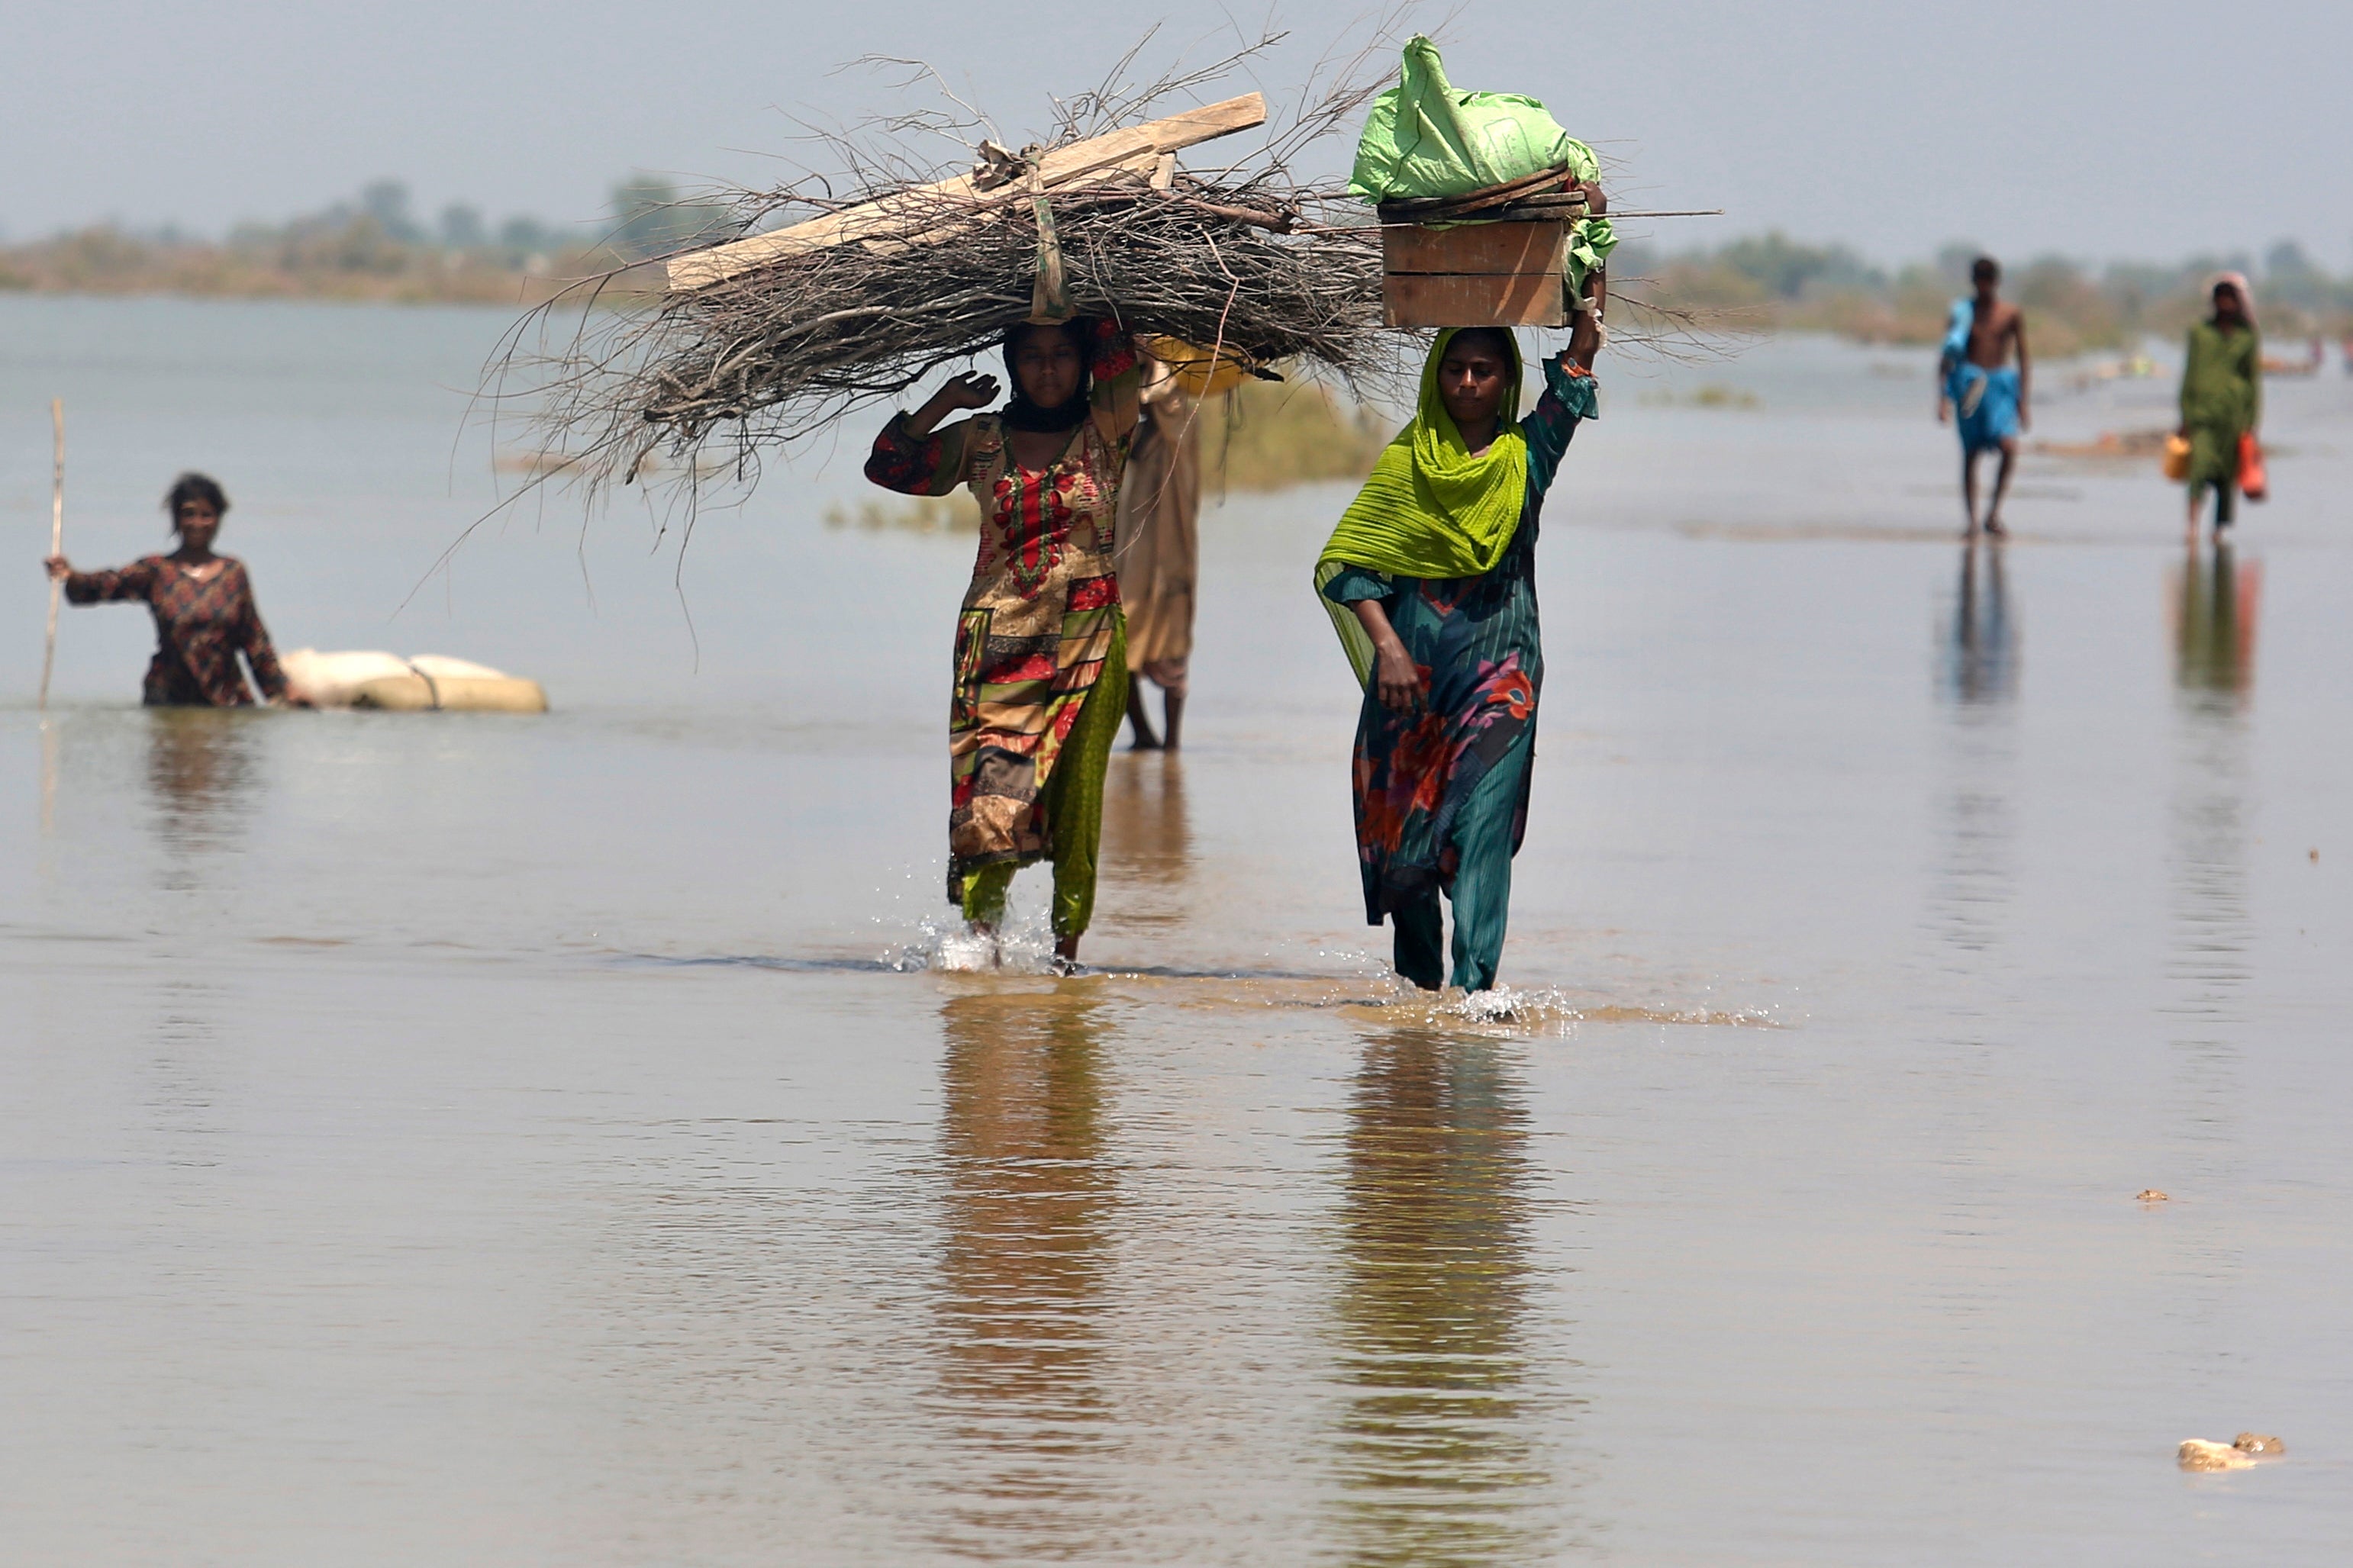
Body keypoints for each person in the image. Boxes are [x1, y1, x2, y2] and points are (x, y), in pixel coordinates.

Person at [1313, 316, 1600, 994]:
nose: (1467, 383)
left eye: (1483, 370)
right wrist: (1386, 647)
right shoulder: (1405, 463)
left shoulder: (1527, 454)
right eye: (1455, 369)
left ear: (1506, 380)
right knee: (1407, 849)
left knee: (1482, 831)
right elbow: (1350, 564)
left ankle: (1476, 996)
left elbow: (1576, 371)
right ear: (1435, 375)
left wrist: (1588, 294)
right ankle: (1418, 1003)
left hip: (1501, 675)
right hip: (1409, 684)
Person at [865, 316, 1141, 967]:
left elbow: (1115, 339)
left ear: (1082, 362)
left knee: (1077, 804)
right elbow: (888, 465)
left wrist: (1064, 277)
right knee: (989, 798)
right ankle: (979, 956)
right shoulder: (981, 439)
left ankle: (1065, 960)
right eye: (1033, 356)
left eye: (1062, 354)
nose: (1048, 369)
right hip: (996, 645)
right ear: (1012, 364)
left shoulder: (1108, 428)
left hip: (1088, 641)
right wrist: (945, 401)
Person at [44, 472, 305, 707]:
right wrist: (71, 576)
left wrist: (284, 690)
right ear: (176, 519)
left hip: (225, 700)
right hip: (169, 701)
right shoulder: (158, 571)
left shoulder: (233, 574)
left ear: (218, 519)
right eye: (189, 514)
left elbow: (255, 640)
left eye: (206, 515)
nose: (197, 523)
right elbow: (106, 585)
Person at [1115, 358, 1201, 750]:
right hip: (1131, 557)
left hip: (1171, 553)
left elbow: (1163, 395)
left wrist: (1152, 359)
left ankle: (1172, 747)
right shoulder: (1133, 431)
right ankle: (1144, 736)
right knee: (1119, 643)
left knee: (1172, 643)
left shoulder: (1180, 425)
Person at [1936, 256, 2030, 537]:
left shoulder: (2011, 314)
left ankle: (1994, 513)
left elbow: (2024, 358)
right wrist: (1942, 398)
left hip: (2001, 386)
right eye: (1980, 281)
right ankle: (1972, 521)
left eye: (1989, 281)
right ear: (1974, 282)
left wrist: (2023, 401)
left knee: (2009, 447)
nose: (1984, 286)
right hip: (1970, 386)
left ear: (1996, 282)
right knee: (1971, 454)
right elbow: (1947, 356)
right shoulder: (1963, 314)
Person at [2179, 272, 2261, 538]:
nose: (2225, 303)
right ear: (2214, 301)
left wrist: (2252, 424)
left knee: (2227, 479)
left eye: (2230, 298)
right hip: (2202, 416)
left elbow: (2252, 381)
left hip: (2234, 418)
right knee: (2199, 470)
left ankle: (2218, 532)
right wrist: (2185, 415)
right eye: (2221, 298)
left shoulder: (2247, 337)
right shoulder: (2200, 333)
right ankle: (2192, 527)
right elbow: (2189, 374)